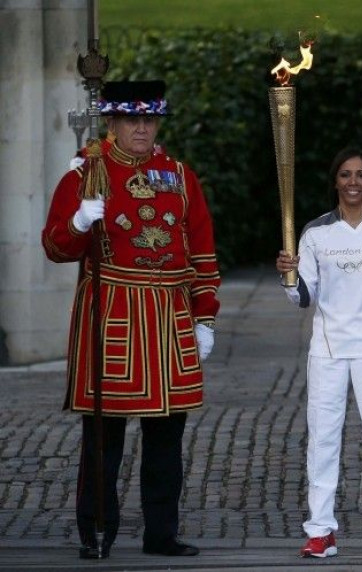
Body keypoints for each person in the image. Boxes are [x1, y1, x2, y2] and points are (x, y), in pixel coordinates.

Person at [42, 80, 220, 559]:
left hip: (168, 316)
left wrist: (206, 317)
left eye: (149, 120)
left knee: (167, 438)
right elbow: (55, 247)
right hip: (112, 314)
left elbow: (201, 249)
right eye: (131, 120)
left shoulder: (180, 176)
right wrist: (79, 221)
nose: (142, 128)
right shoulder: (85, 174)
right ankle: (96, 530)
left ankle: (161, 534)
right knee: (104, 441)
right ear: (113, 123)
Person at [276, 147, 362, 559]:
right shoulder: (316, 233)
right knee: (322, 440)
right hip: (329, 350)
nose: (353, 183)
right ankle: (320, 530)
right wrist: (289, 274)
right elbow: (305, 297)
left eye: (361, 176)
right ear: (335, 181)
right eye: (345, 175)